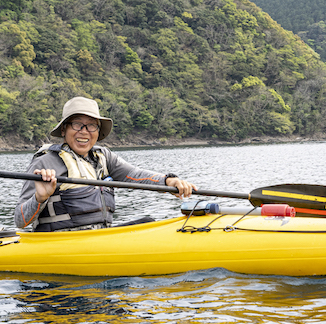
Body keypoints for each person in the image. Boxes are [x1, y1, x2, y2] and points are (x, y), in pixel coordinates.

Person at [15, 96, 197, 231]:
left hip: (99, 237)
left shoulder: (103, 157)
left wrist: (169, 181)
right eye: (77, 124)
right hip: (61, 242)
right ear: (64, 129)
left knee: (147, 222)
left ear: (98, 131)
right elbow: (20, 220)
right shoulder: (45, 162)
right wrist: (40, 198)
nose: (84, 132)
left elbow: (135, 175)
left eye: (91, 125)